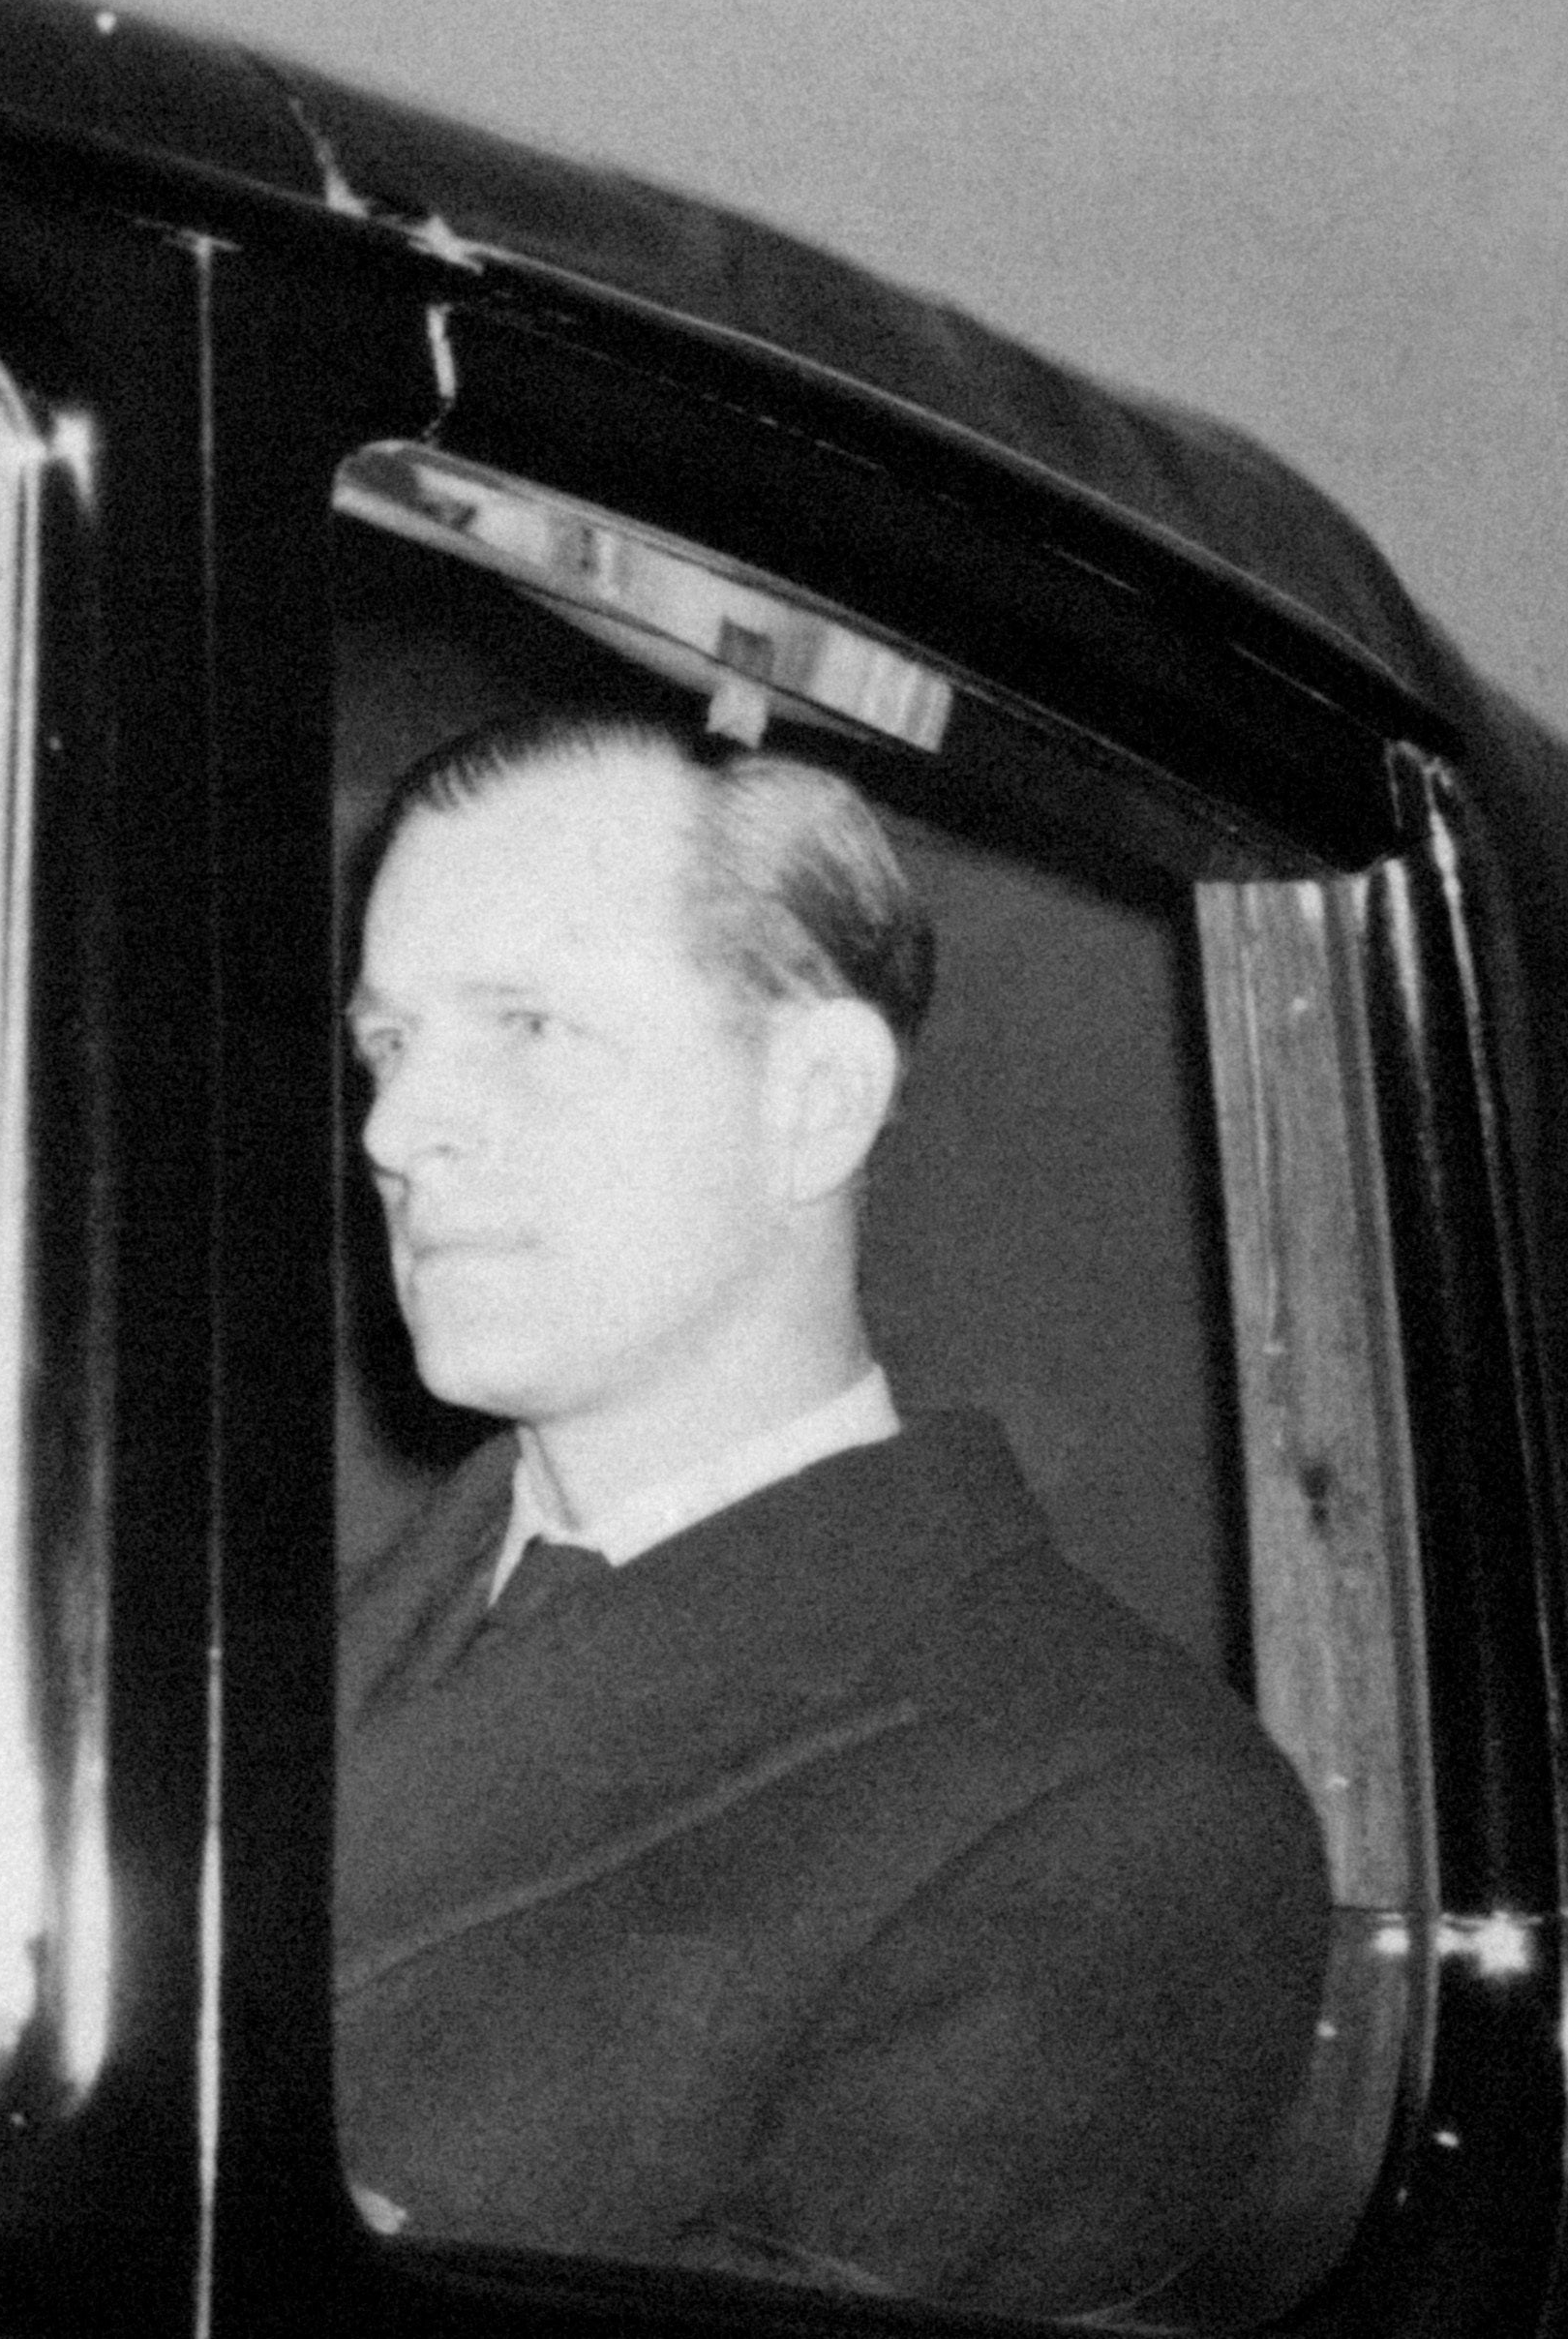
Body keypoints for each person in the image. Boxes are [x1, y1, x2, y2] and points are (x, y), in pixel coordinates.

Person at [331, 710, 1332, 2318]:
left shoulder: (1118, 1818)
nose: (393, 1131)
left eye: (526, 1024)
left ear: (814, 1100)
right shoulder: (250, 1660)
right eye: (388, 1042)